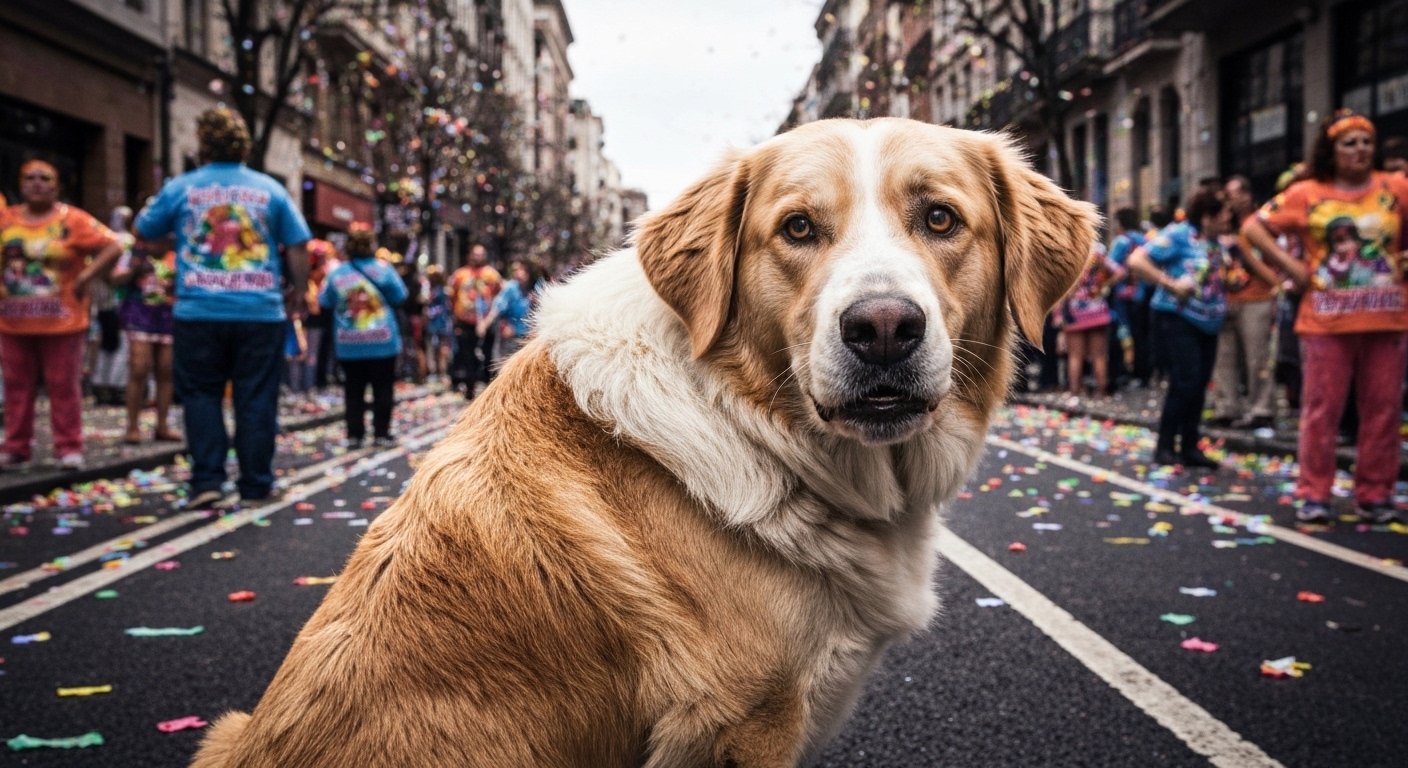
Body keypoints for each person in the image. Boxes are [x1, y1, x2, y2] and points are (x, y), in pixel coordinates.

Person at [135, 107, 311, 509]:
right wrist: (298, 290)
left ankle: (207, 481)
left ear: (202, 143)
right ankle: (256, 484)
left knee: (200, 395)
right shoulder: (269, 189)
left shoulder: (182, 187)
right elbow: (297, 243)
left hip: (199, 311)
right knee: (256, 397)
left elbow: (145, 231)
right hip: (259, 312)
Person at [1242, 109, 1408, 525]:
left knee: (1383, 410)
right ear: (1331, 150)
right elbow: (1253, 228)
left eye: (1366, 141)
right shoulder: (1306, 193)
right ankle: (1314, 493)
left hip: (1386, 319)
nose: (1359, 149)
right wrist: (1292, 270)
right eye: (1349, 143)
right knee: (1322, 410)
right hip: (1326, 322)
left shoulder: (1396, 188)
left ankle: (1375, 494)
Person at [0, 160, 123, 469]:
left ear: (56, 186)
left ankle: (69, 447)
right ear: (20, 183)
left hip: (63, 322)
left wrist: (86, 277)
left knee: (63, 385)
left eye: (45, 178)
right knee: (16, 385)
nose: (37, 183)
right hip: (13, 321)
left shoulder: (74, 220)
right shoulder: (6, 219)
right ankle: (16, 447)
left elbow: (113, 246)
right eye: (30, 178)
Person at [1128, 189, 1245, 469]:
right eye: (1225, 214)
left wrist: (1233, 281)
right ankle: (1165, 446)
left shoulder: (1219, 244)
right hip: (1177, 318)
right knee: (1185, 381)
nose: (1229, 220)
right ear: (1208, 217)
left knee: (1201, 383)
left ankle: (1190, 445)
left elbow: (1219, 278)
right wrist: (1170, 283)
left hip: (1210, 321)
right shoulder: (1179, 234)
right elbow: (1137, 261)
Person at [319, 224, 406, 448]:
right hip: (382, 341)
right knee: (383, 388)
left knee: (353, 389)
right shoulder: (384, 269)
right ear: (372, 245)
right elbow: (400, 295)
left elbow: (325, 301)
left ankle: (355, 434)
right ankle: (381, 433)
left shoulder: (337, 273)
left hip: (349, 342)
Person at [1208, 175, 1280, 431]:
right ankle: (1226, 408)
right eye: (1228, 195)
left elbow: (1271, 260)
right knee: (1224, 357)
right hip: (1224, 299)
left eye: (1235, 194)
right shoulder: (1222, 225)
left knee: (1257, 357)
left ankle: (1262, 409)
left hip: (1257, 298)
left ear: (1248, 195)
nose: (1231, 200)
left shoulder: (1262, 222)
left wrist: (1241, 251)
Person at [110, 227, 181, 444]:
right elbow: (115, 278)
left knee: (166, 370)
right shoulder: (134, 255)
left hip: (169, 316)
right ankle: (132, 426)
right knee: (139, 368)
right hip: (139, 315)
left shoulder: (179, 256)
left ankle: (162, 425)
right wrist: (134, 268)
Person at [1055, 242, 1122, 398]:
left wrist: (1058, 315)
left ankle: (1075, 392)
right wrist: (1103, 286)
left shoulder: (1070, 251)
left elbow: (1061, 289)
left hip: (1074, 311)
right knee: (1099, 356)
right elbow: (1119, 271)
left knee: (1075, 356)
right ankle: (1101, 392)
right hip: (1097, 309)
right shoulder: (1098, 252)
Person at [448, 243, 501, 399]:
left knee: (487, 355)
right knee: (467, 356)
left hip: (486, 323)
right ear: (469, 255)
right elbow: (453, 296)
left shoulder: (492, 274)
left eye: (481, 254)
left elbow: (499, 295)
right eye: (475, 254)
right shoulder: (460, 274)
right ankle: (470, 388)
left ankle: (489, 390)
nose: (478, 257)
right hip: (465, 323)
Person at [1106, 207, 1148, 387]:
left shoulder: (1121, 241)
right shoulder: (1144, 240)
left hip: (1123, 297)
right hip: (1142, 295)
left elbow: (1110, 267)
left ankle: (1124, 370)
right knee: (1141, 335)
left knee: (1122, 334)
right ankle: (1142, 372)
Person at [477, 259, 538, 367]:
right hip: (511, 335)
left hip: (529, 336)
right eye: (517, 270)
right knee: (506, 366)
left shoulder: (536, 287)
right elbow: (498, 307)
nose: (519, 273)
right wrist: (485, 323)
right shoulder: (511, 288)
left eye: (523, 270)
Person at [423, 264, 453, 381]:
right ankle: (436, 371)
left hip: (441, 322)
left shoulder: (443, 291)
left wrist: (429, 313)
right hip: (434, 323)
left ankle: (442, 371)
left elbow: (445, 307)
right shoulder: (431, 289)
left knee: (442, 348)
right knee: (434, 347)